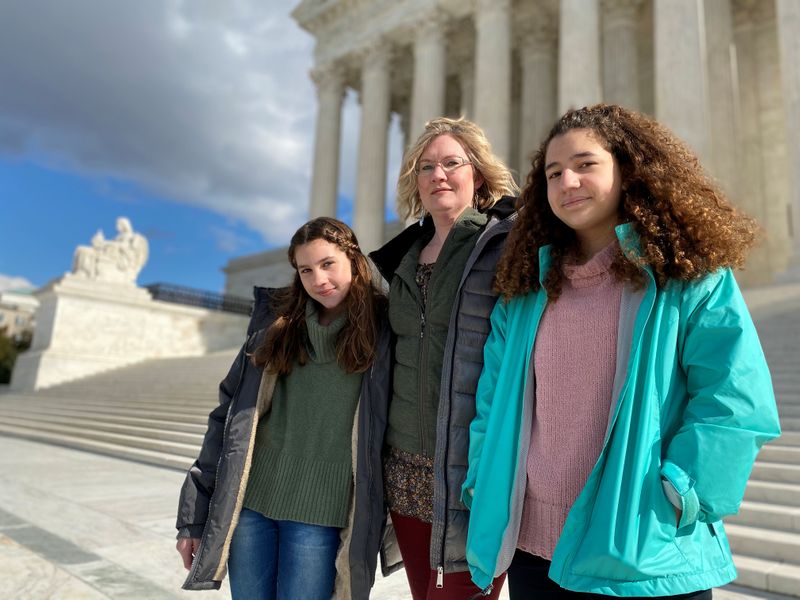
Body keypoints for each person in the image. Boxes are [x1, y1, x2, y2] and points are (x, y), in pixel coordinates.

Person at [461, 104, 781, 598]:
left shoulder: (688, 278)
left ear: (626, 171)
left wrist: (684, 493)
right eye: (553, 172)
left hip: (642, 551)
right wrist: (485, 481)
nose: (568, 181)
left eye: (586, 164)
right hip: (533, 554)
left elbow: (736, 397)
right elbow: (492, 403)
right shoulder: (525, 292)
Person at [175, 217, 399, 599]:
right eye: (306, 270)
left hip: (322, 512)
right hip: (252, 505)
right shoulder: (277, 324)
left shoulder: (387, 327)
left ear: (353, 258)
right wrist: (193, 518)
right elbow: (226, 419)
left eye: (328, 264)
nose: (318, 280)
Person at [369, 116, 519, 599]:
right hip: (406, 472)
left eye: (452, 162)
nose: (439, 174)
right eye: (426, 166)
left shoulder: (502, 245)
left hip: (472, 472)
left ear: (477, 173)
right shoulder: (401, 258)